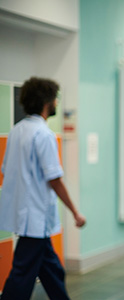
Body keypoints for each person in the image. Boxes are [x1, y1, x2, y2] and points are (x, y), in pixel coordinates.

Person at [0, 77, 86, 300]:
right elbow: (54, 179)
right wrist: (75, 212)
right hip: (35, 219)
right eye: (55, 99)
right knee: (21, 277)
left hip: (28, 217)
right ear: (47, 102)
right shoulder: (44, 134)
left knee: (52, 271)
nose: (57, 103)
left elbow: (6, 169)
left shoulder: (17, 130)